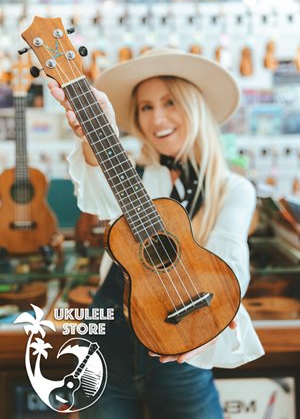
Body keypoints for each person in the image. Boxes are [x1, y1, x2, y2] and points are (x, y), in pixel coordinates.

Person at [49, 48, 264, 419]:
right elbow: (96, 195)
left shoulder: (234, 189)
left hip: (182, 346)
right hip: (107, 342)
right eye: (146, 107)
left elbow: (231, 258)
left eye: (169, 102)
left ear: (194, 107)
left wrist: (214, 318)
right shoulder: (134, 176)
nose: (157, 117)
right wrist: (94, 135)